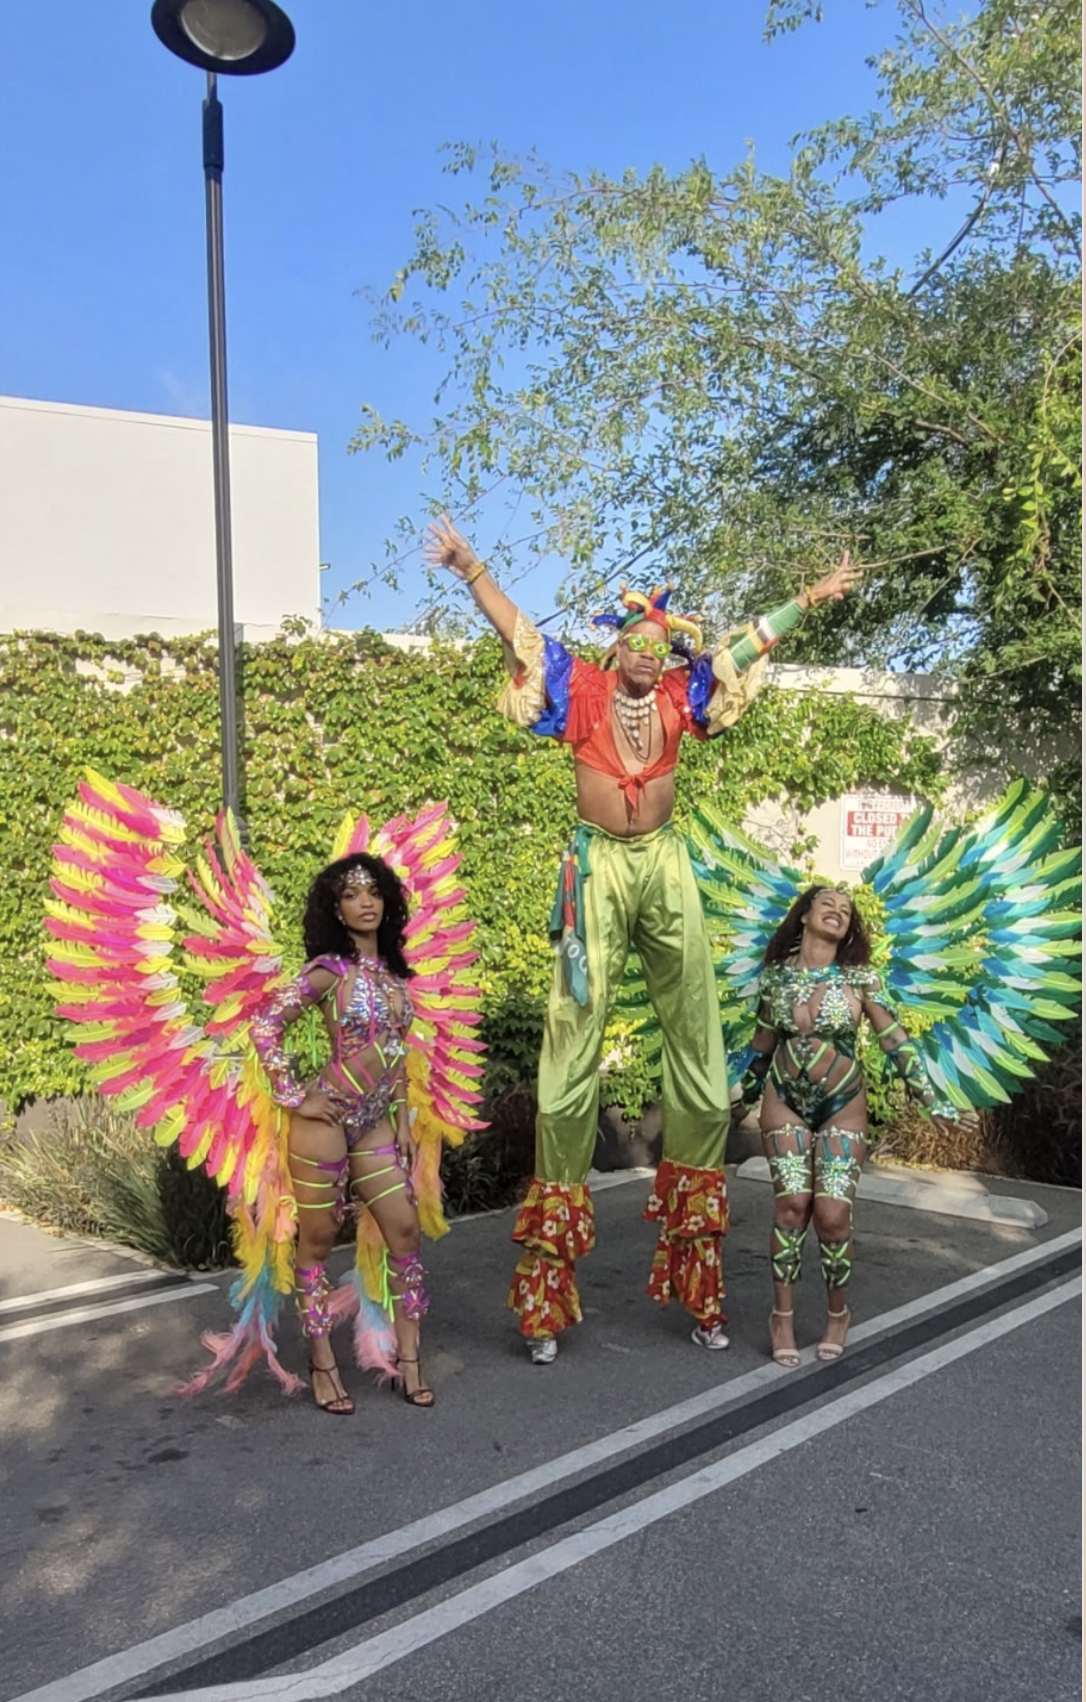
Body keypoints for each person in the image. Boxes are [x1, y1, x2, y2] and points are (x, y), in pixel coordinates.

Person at [425, 516, 862, 1364]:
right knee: (570, 1039)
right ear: (617, 646)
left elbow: (746, 645)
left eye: (662, 648)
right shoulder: (580, 687)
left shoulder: (678, 695)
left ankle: (701, 1287)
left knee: (696, 1042)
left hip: (663, 865)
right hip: (597, 869)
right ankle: (547, 1298)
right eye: (639, 645)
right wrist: (470, 564)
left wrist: (808, 598)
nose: (651, 658)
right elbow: (513, 627)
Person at [736, 885, 977, 1365]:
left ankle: (837, 1314)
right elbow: (762, 1046)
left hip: (842, 1104)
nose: (838, 911)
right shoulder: (775, 979)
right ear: (805, 914)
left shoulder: (862, 979)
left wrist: (933, 1101)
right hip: (784, 1102)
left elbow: (896, 1042)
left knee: (832, 1216)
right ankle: (780, 1317)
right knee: (790, 1207)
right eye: (828, 903)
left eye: (846, 911)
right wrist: (735, 1100)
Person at [250, 853, 434, 1413]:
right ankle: (323, 1360)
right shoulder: (330, 971)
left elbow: (397, 1059)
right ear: (336, 908)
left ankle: (409, 1360)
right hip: (323, 1125)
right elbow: (265, 1025)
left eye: (374, 892)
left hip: (376, 1123)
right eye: (352, 894)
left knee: (405, 1231)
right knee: (320, 1240)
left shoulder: (397, 980)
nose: (366, 902)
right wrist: (296, 1094)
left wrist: (403, 1122)